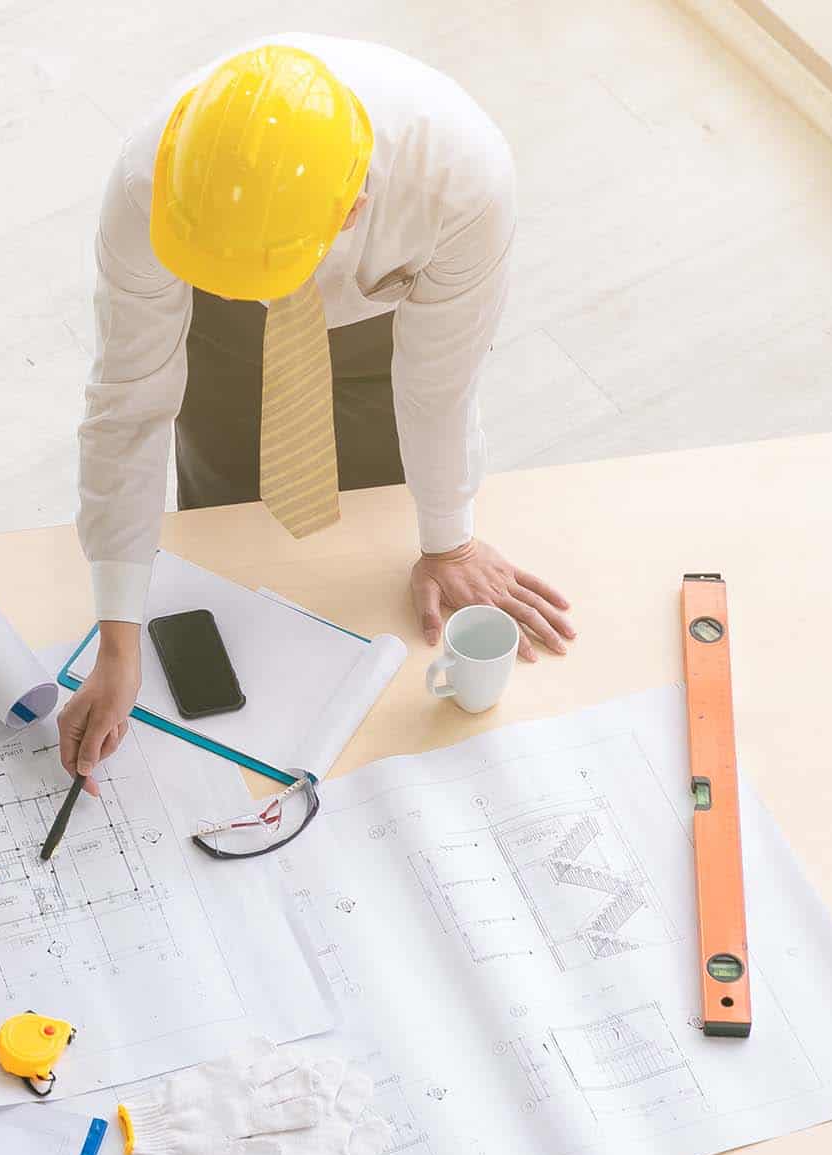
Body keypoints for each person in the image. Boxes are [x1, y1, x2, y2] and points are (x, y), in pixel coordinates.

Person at [61, 37, 577, 782]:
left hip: (386, 310)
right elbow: (128, 404)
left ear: (353, 209)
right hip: (215, 310)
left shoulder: (463, 179)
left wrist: (450, 541)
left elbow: (439, 386)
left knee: (375, 500)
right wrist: (119, 640)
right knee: (231, 513)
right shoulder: (150, 182)